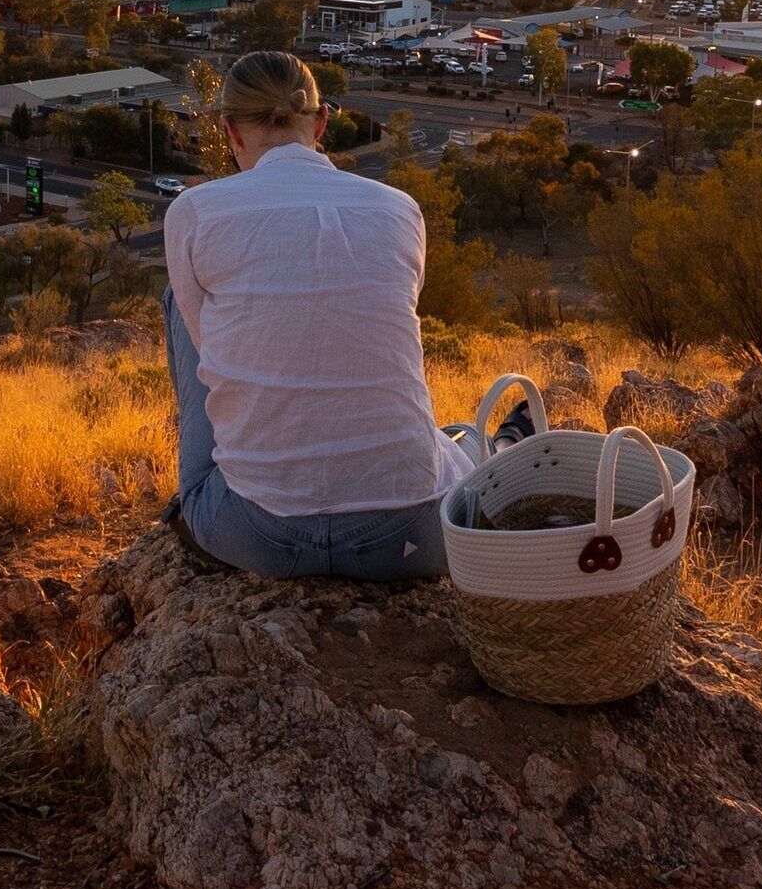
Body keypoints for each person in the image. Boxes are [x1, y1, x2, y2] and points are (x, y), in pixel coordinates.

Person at [161, 51, 519, 579]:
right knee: (444, 432)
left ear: (230, 131)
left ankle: (236, 485)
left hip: (260, 536)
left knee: (182, 295)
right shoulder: (399, 208)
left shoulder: (193, 212)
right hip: (412, 539)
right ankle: (501, 445)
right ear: (321, 122)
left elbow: (206, 350)